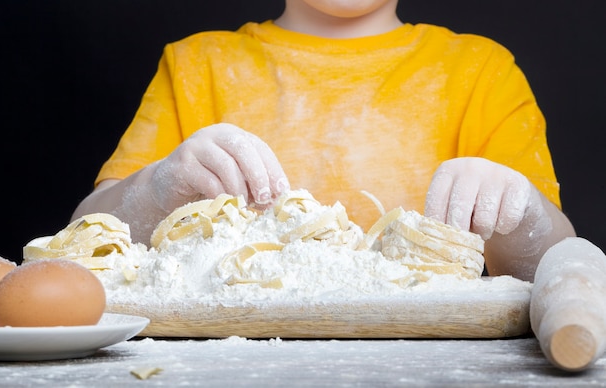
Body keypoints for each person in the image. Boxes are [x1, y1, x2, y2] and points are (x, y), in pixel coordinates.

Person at [72, 0, 575, 281]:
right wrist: (161, 188)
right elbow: (83, 238)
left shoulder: (480, 73)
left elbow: (557, 264)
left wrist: (516, 209)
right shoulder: (197, 67)